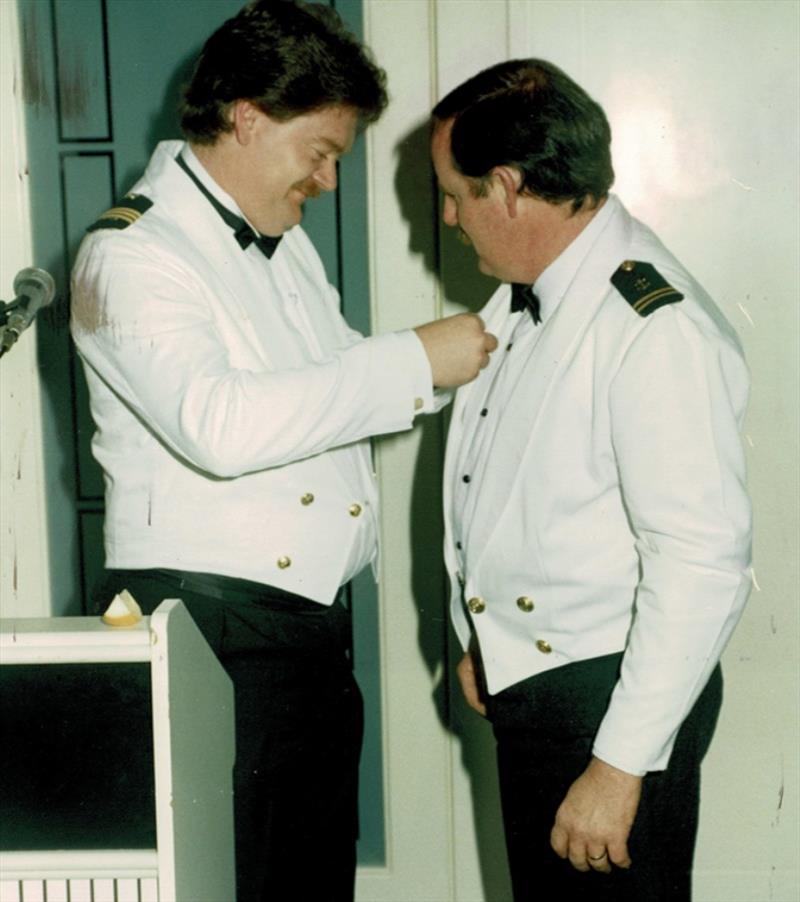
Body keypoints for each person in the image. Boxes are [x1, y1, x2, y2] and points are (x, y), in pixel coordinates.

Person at [70, 2, 496, 900]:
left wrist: (457, 358)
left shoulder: (281, 244)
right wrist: (415, 357)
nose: (328, 180)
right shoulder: (132, 253)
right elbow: (219, 424)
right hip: (218, 633)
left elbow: (329, 384)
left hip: (304, 634)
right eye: (322, 152)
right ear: (249, 118)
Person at [432, 59, 752, 901]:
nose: (447, 216)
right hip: (538, 682)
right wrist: (482, 635)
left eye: (456, 193)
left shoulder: (651, 327)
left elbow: (702, 564)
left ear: (506, 186)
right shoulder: (531, 294)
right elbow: (512, 476)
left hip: (609, 702)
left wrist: (616, 768)